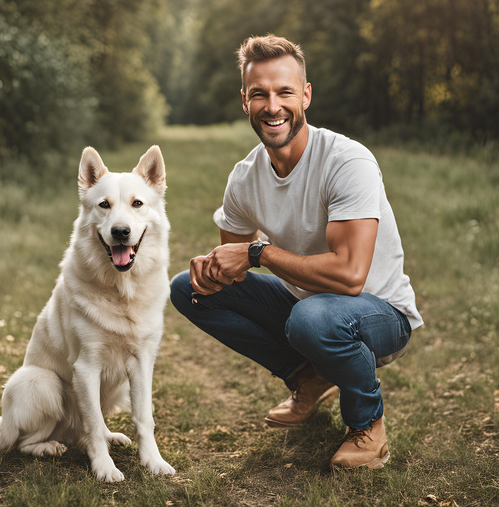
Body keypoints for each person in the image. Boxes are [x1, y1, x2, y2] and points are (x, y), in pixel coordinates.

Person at [170, 34, 423, 469]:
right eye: (259, 94)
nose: (273, 106)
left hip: (381, 314)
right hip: (309, 308)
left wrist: (258, 254)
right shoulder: (245, 177)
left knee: (314, 319)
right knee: (186, 289)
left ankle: (368, 427)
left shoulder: (347, 161)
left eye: (285, 91)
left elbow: (350, 277)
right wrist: (213, 270)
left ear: (305, 94)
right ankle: (309, 375)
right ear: (244, 102)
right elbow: (233, 261)